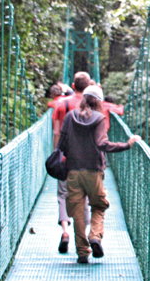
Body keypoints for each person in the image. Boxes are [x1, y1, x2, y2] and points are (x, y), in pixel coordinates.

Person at [56, 84, 140, 263]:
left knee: (77, 212)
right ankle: (95, 236)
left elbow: (61, 145)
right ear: (99, 101)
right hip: (93, 171)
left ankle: (82, 252)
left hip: (73, 172)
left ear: (84, 99)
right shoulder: (99, 118)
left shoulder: (70, 116)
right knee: (99, 206)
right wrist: (127, 144)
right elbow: (103, 144)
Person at [52, 72, 93, 253]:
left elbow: (56, 133)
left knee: (63, 195)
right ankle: (82, 237)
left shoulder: (62, 104)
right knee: (83, 197)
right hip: (85, 158)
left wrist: (57, 154)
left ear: (73, 86)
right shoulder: (92, 106)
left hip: (66, 156)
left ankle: (65, 231)